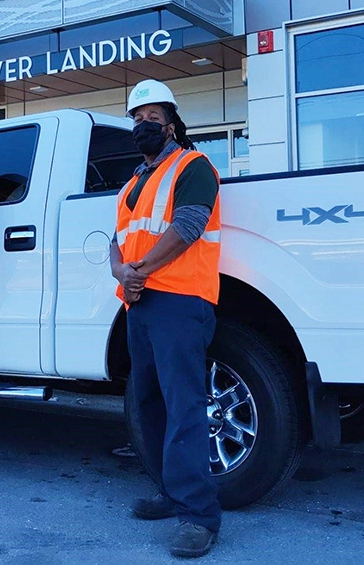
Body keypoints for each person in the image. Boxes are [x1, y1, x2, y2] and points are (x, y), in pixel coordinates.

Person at [110, 80, 223, 558]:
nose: (143, 126)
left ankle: (199, 516)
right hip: (140, 303)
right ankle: (169, 491)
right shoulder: (134, 181)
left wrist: (139, 272)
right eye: (136, 119)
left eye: (152, 118)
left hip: (181, 300)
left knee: (184, 407)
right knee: (149, 402)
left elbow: (189, 227)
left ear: (172, 124)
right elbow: (116, 239)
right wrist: (122, 272)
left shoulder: (194, 166)